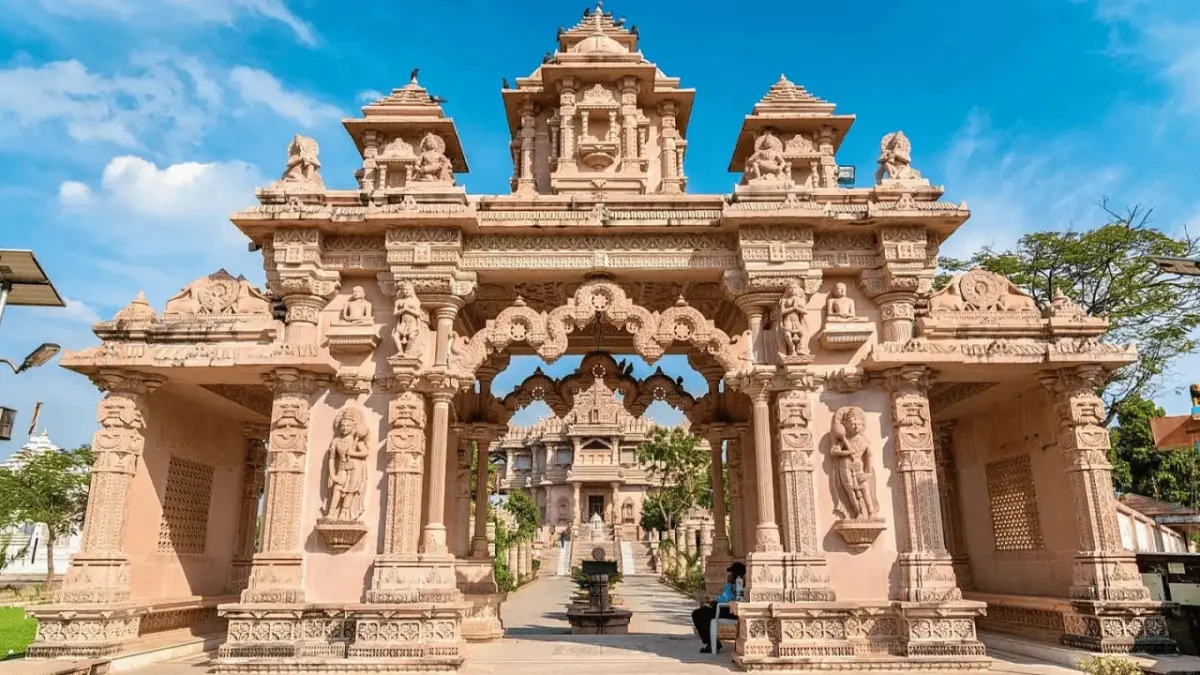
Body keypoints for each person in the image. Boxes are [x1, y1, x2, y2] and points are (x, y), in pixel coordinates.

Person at [691, 561, 745, 654]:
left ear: (736, 574)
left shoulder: (737, 584)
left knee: (699, 615)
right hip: (721, 607)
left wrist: (718, 602)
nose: (730, 575)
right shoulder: (732, 584)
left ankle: (711, 644)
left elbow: (730, 598)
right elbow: (723, 597)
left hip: (727, 610)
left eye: (732, 573)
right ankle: (712, 642)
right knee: (699, 614)